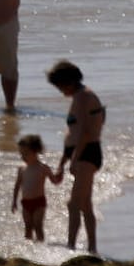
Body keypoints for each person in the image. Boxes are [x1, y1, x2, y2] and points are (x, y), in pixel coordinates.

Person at [47, 60, 104, 253]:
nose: (61, 92)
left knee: (73, 204)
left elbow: (86, 133)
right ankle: (92, 249)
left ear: (68, 82)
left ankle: (70, 247)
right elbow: (72, 134)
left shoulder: (83, 98)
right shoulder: (82, 96)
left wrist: (74, 159)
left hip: (87, 153)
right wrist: (63, 162)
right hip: (82, 152)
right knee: (85, 205)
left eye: (60, 87)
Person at [11, 134, 60, 242]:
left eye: (25, 154)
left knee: (38, 226)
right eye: (21, 154)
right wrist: (14, 201)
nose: (22, 157)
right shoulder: (22, 169)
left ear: (35, 151)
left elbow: (54, 181)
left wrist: (59, 174)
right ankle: (29, 251)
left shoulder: (43, 167)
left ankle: (41, 248)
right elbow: (17, 186)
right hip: (25, 202)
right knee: (28, 227)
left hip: (39, 202)